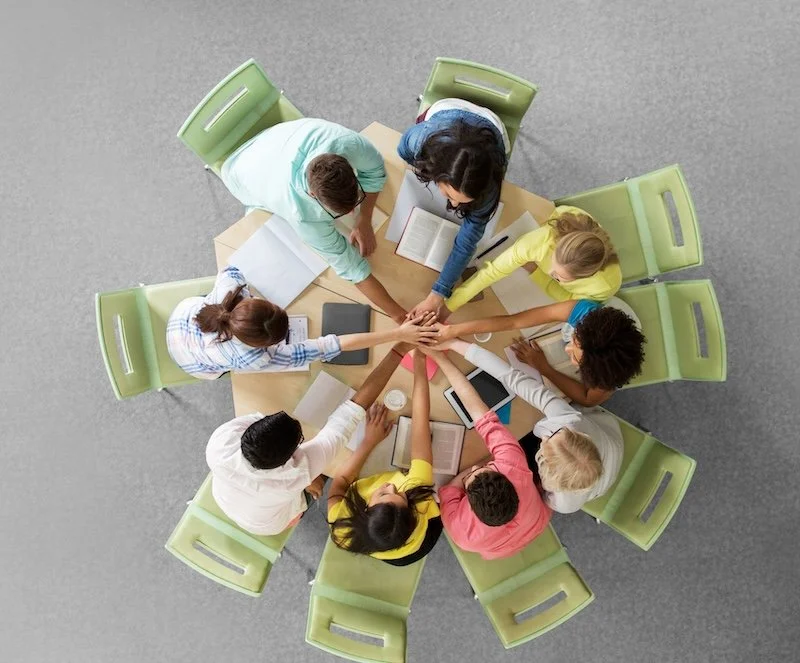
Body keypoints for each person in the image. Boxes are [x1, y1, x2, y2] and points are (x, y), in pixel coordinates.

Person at [205, 342, 413, 536]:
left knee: (312, 480)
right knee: (306, 492)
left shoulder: (220, 443)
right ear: (291, 458)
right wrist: (397, 352)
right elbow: (350, 414)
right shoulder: (295, 475)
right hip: (267, 523)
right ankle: (305, 498)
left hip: (225, 497)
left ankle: (312, 482)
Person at [220, 118, 407, 321]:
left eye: (356, 200)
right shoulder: (301, 214)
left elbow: (375, 169)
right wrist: (400, 317)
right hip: (240, 170)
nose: (352, 212)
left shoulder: (347, 143)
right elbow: (353, 270)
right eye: (338, 214)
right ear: (312, 195)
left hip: (275, 140)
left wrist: (364, 217)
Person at [435, 338, 623, 513]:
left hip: (606, 445)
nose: (547, 436)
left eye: (546, 443)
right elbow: (511, 376)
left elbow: (545, 498)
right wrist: (455, 343)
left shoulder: (565, 504)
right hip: (608, 436)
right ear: (579, 437)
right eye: (557, 433)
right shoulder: (568, 419)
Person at [167, 266, 438, 379]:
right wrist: (397, 334)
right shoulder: (254, 360)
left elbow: (231, 269)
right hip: (193, 361)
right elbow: (328, 346)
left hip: (183, 318)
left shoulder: (229, 289)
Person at [428, 349, 551, 559]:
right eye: (483, 469)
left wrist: (486, 464)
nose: (475, 467)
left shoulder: (461, 532)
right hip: (534, 523)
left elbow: (447, 490)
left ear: (469, 505)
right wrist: (467, 477)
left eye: (471, 475)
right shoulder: (512, 467)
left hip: (527, 527)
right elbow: (480, 413)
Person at [327, 351, 441, 565]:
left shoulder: (342, 526)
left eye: (384, 493)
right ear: (411, 511)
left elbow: (341, 481)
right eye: (399, 493)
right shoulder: (419, 496)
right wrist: (419, 361)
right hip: (413, 546)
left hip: (385, 543)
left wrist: (369, 441)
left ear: (365, 510)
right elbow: (421, 419)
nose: (390, 485)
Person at [397, 100, 508, 319]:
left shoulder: (488, 187)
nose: (454, 206)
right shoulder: (421, 139)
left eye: (463, 201)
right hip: (445, 111)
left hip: (492, 126)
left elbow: (467, 242)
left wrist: (437, 294)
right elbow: (403, 150)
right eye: (449, 195)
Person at [432, 297, 645, 406]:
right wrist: (452, 330)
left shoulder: (608, 375)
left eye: (575, 358)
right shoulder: (583, 312)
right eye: (574, 342)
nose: (568, 350)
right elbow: (513, 321)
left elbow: (589, 399)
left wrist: (544, 368)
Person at [444, 206, 622, 313]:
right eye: (553, 264)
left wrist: (536, 272)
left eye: (558, 278)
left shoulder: (605, 286)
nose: (551, 273)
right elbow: (492, 271)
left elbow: (568, 299)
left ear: (584, 277)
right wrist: (449, 306)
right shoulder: (540, 241)